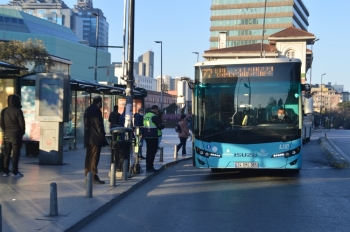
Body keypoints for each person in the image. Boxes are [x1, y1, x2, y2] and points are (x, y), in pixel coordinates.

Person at [84, 95, 108, 184]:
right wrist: (102, 135)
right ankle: (93, 175)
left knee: (88, 157)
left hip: (88, 138)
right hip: (95, 139)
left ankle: (87, 174)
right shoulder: (97, 111)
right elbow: (99, 125)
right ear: (99, 102)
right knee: (94, 157)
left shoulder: (88, 109)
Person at [0, 94, 25, 177]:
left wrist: (5, 131)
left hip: (7, 134)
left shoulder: (4, 111)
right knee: (15, 154)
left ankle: (5, 171)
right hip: (16, 135)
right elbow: (22, 124)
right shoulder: (18, 111)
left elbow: (1, 123)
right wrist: (22, 133)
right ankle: (15, 172)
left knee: (6, 153)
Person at [143, 105, 165, 172]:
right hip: (154, 135)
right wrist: (163, 124)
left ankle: (148, 166)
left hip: (146, 135)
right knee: (152, 152)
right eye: (157, 110)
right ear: (155, 109)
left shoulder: (146, 115)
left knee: (148, 151)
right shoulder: (154, 116)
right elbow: (160, 126)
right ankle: (150, 167)